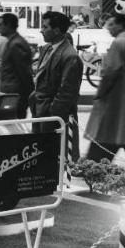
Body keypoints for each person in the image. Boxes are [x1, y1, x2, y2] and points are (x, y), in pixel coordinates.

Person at [85, 13, 125, 171]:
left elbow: (110, 72)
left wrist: (100, 94)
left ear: (121, 25)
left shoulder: (119, 43)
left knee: (99, 152)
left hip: (114, 107)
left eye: (111, 24)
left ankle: (93, 178)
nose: (108, 28)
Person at [29, 12, 83, 159]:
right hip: (39, 112)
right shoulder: (47, 48)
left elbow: (67, 93)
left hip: (55, 116)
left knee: (56, 160)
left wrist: (52, 113)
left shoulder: (70, 56)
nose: (41, 30)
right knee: (40, 157)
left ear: (57, 30)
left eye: (45, 27)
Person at [0, 13, 34, 119]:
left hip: (16, 95)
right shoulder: (12, 41)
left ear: (8, 25)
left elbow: (24, 73)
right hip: (12, 94)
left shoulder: (16, 44)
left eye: (0, 24)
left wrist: (29, 95)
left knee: (14, 126)